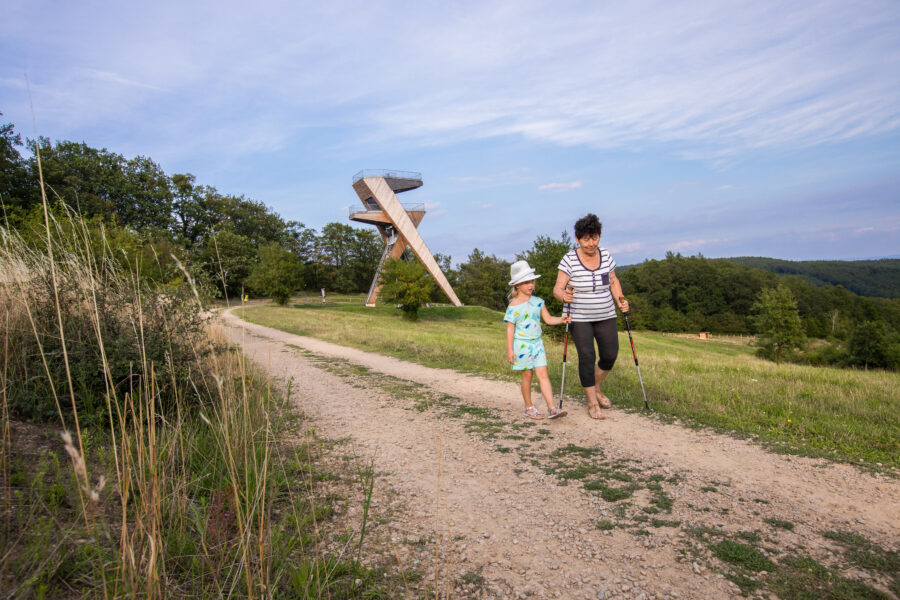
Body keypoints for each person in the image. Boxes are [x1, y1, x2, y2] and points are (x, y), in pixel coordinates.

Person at [553, 214, 629, 420]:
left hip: (606, 314)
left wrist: (621, 299)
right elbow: (557, 289)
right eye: (586, 239)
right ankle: (592, 402)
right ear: (577, 239)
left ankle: (596, 387)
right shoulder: (569, 259)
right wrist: (563, 295)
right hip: (579, 316)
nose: (590, 243)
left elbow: (613, 281)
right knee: (587, 357)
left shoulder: (605, 255)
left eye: (594, 238)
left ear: (600, 236)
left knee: (610, 355)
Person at [505, 260, 571, 419]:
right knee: (527, 375)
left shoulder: (538, 302)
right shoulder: (513, 307)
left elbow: (548, 319)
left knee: (543, 374)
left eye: (532, 281)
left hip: (537, 344)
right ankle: (528, 407)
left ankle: (552, 408)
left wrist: (561, 319)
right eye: (526, 282)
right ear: (517, 285)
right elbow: (510, 328)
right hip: (522, 345)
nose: (531, 285)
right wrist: (510, 350)